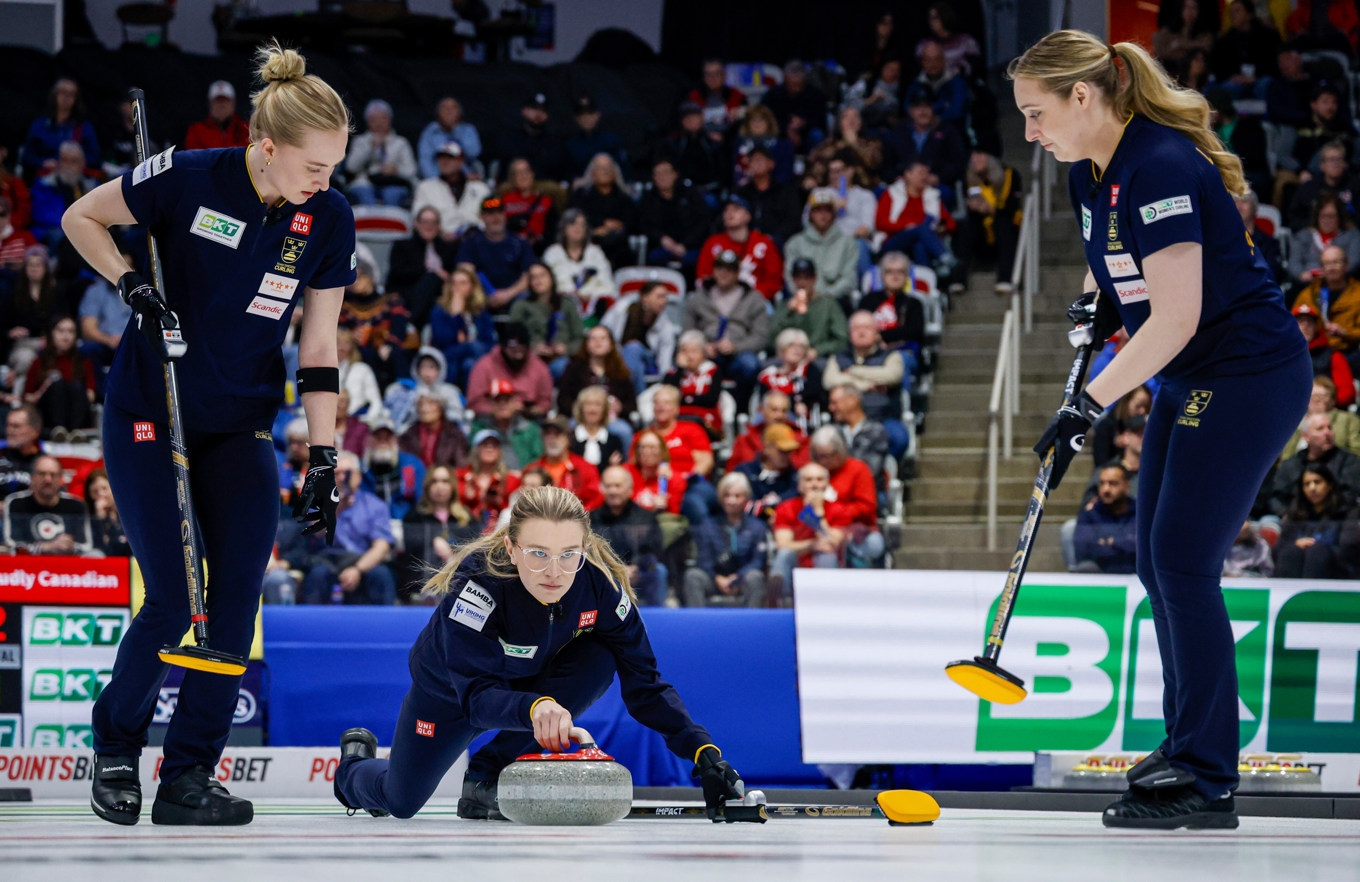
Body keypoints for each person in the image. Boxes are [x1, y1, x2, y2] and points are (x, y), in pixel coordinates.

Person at [1012, 30, 1313, 829]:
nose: (1032, 135)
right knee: (1158, 560)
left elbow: (1176, 316)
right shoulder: (1092, 174)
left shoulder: (1164, 167)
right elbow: (1113, 265)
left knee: (1182, 563)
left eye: (1038, 115)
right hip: (1194, 374)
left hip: (1245, 374)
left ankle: (1207, 775)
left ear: (1083, 97)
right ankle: (1187, 746)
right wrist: (1092, 309)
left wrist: (1087, 405)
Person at [62, 42, 356, 826]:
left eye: (333, 166)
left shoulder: (326, 217)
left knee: (233, 604)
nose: (324, 182)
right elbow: (79, 216)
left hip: (240, 421)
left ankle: (189, 775)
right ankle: (117, 746)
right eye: (313, 166)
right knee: (171, 598)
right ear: (266, 146)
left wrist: (324, 454)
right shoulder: (190, 175)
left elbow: (319, 347)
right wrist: (131, 286)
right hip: (151, 410)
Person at [332, 485, 746, 821]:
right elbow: (475, 697)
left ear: (583, 549)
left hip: (531, 683)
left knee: (603, 656)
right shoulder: (479, 581)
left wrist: (702, 752)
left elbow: (646, 683)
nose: (554, 572)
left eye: (569, 555)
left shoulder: (600, 586)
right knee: (400, 802)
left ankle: (486, 777)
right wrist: (537, 707)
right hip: (452, 693)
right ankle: (353, 767)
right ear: (512, 549)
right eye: (538, 554)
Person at [301, 451, 396, 605]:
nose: (341, 478)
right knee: (317, 574)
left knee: (381, 575)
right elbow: (316, 534)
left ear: (357, 476)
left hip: (362, 560)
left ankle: (384, 625)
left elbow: (381, 546)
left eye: (347, 473)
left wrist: (357, 569)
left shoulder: (374, 505)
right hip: (328, 560)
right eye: (336, 474)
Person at [683, 248, 770, 407]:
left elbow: (761, 336)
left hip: (739, 353)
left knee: (750, 364)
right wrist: (701, 347)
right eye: (720, 268)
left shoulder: (754, 298)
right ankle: (697, 408)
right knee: (684, 361)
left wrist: (736, 346)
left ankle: (741, 409)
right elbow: (687, 331)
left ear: (738, 273)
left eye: (730, 269)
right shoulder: (697, 297)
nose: (724, 273)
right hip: (706, 353)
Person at [824, 312, 909, 458]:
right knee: (822, 441)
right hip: (844, 421)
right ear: (849, 333)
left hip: (883, 419)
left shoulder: (891, 356)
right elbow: (829, 381)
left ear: (876, 333)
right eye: (856, 328)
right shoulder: (838, 358)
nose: (861, 332)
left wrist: (854, 371)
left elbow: (891, 376)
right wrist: (866, 385)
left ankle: (884, 472)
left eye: (867, 328)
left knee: (900, 438)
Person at [684, 471, 768, 609]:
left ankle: (752, 625)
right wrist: (718, 578)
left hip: (743, 579)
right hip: (714, 579)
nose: (731, 501)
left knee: (756, 577)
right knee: (693, 576)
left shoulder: (757, 527)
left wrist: (737, 577)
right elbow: (703, 558)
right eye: (727, 496)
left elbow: (758, 560)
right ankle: (697, 626)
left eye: (737, 496)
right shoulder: (707, 525)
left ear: (746, 498)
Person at [398, 465, 480, 601]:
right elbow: (411, 551)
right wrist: (433, 541)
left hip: (459, 581)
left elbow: (475, 548)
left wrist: (452, 553)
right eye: (434, 481)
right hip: (422, 582)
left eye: (445, 481)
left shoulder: (466, 517)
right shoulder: (414, 516)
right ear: (427, 486)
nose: (439, 487)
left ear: (452, 486)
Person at [769, 462, 850, 599]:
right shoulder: (786, 508)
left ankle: (826, 601)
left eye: (819, 480)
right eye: (808, 480)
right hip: (795, 564)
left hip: (826, 564)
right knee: (783, 554)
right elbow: (783, 545)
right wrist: (812, 545)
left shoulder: (839, 510)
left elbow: (832, 544)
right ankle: (780, 603)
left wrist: (817, 513)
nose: (814, 484)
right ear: (800, 485)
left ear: (827, 484)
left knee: (827, 555)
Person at [807, 426, 883, 567]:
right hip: (817, 528)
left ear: (840, 450)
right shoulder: (812, 473)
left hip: (855, 527)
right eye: (820, 456)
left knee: (873, 545)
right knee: (825, 552)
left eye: (829, 455)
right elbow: (802, 506)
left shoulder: (858, 469)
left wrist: (837, 512)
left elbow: (867, 507)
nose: (825, 460)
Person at [591, 466, 667, 606]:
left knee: (658, 570)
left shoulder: (646, 518)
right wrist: (615, 570)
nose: (613, 491)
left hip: (639, 573)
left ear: (630, 489)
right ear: (602, 489)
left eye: (618, 486)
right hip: (604, 575)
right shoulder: (591, 519)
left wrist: (635, 568)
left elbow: (654, 551)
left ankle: (658, 620)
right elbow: (589, 553)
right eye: (608, 486)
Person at [1266, 411, 1360, 517]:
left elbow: (1350, 495)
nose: (1327, 433)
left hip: (1336, 520)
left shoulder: (1349, 461)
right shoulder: (1291, 464)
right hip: (1296, 521)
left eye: (1329, 427)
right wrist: (1288, 515)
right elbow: (1276, 498)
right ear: (1306, 436)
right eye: (1320, 429)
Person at [1274, 462, 1359, 579]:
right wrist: (1296, 545)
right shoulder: (1294, 515)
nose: (1312, 488)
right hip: (1297, 566)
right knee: (1292, 552)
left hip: (1337, 571)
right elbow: (1278, 550)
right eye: (1307, 484)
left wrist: (1316, 546)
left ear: (1329, 485)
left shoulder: (1348, 513)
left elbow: (1347, 550)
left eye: (1317, 482)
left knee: (1317, 552)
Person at [696, 195, 785, 301]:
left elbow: (774, 282)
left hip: (755, 302)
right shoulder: (713, 243)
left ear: (748, 215)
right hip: (719, 301)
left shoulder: (764, 243)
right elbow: (702, 278)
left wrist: (748, 296)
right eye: (726, 210)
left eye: (736, 209)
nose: (729, 213)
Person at [960, 149, 1024, 294]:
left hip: (1006, 225)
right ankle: (959, 279)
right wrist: (975, 207)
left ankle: (1005, 278)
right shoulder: (970, 177)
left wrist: (991, 209)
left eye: (980, 156)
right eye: (973, 157)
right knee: (967, 225)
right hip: (982, 232)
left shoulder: (1009, 174)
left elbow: (1012, 207)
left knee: (1003, 224)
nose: (975, 160)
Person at [2, 453, 93, 554]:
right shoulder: (15, 503)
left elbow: (86, 546)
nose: (48, 479)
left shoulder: (76, 505)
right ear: (32, 477)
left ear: (61, 479)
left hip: (67, 564)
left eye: (53, 474)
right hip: (27, 566)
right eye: (42, 474)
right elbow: (11, 545)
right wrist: (46, 547)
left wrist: (70, 546)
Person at [386, 207, 460, 330]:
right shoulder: (402, 246)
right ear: (416, 223)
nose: (429, 226)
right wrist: (429, 270)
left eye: (433, 222)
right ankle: (411, 324)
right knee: (431, 279)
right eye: (425, 221)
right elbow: (397, 273)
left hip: (440, 296)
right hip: (407, 293)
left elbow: (454, 273)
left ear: (439, 225)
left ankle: (412, 325)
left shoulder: (448, 248)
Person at [509, 262, 586, 378]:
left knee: (563, 367)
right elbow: (512, 337)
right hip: (530, 358)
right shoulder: (521, 306)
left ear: (551, 277)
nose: (538, 280)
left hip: (562, 357)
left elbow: (580, 337)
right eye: (533, 277)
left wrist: (566, 348)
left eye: (542, 275)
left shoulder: (567, 304)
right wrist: (532, 347)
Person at [456, 197, 534, 311]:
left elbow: (528, 276)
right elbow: (465, 271)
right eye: (490, 213)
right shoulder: (471, 243)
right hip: (482, 295)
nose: (495, 217)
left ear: (505, 215)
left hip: (514, 295)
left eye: (499, 212)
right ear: (482, 217)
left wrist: (507, 294)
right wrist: (487, 294)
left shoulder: (520, 243)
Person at [783, 190, 861, 304]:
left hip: (835, 301)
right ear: (810, 214)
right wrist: (807, 295)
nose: (823, 215)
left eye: (827, 210)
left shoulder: (848, 243)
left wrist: (825, 296)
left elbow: (849, 279)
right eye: (818, 210)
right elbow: (790, 278)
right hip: (802, 300)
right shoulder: (795, 243)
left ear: (833, 214)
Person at [23, 315, 96, 437]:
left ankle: (75, 432)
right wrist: (44, 390)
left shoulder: (84, 361)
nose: (65, 336)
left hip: (76, 412)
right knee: (57, 385)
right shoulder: (40, 361)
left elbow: (91, 394)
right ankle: (58, 431)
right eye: (61, 331)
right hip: (48, 415)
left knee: (76, 386)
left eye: (70, 331)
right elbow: (27, 397)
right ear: (51, 333)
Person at [638, 155, 711, 274]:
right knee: (655, 257)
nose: (663, 177)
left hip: (689, 246)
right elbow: (644, 224)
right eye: (658, 174)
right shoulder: (648, 199)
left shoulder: (690, 194)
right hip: (661, 246)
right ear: (653, 178)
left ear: (675, 174)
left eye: (666, 173)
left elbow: (703, 222)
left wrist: (685, 245)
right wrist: (662, 239)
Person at [603, 280, 678, 395]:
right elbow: (604, 330)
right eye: (659, 297)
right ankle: (637, 398)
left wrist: (666, 381)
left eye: (665, 297)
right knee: (637, 365)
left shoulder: (665, 324)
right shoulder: (622, 309)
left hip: (649, 360)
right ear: (645, 298)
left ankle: (623, 394)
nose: (664, 301)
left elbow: (665, 357)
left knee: (634, 348)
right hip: (618, 355)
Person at [466, 322, 552, 419]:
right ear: (503, 346)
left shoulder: (539, 368)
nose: (517, 350)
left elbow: (545, 401)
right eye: (513, 346)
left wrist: (531, 410)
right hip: (492, 419)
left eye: (522, 345)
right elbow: (474, 402)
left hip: (527, 418)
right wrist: (501, 410)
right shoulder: (484, 366)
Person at [428, 267, 496, 390]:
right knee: (467, 356)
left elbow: (488, 341)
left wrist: (467, 345)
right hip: (450, 358)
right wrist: (455, 316)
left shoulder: (480, 312)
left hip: (475, 356)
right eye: (454, 283)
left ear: (472, 287)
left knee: (470, 362)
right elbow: (443, 341)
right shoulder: (440, 311)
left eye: (463, 283)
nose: (457, 287)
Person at [557, 325, 637, 430]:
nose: (598, 342)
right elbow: (563, 399)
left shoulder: (620, 371)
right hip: (580, 419)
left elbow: (632, 404)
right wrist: (580, 408)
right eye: (593, 338)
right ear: (586, 343)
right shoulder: (574, 369)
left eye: (603, 338)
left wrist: (619, 407)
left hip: (612, 420)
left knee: (623, 431)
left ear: (611, 344)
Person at [1291, 243, 1360, 364]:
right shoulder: (1308, 293)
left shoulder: (1357, 293)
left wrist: (1345, 333)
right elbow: (1293, 325)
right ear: (1321, 269)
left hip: (1348, 352)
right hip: (1313, 353)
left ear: (1346, 265)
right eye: (1327, 264)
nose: (1331, 268)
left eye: (1336, 262)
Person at [22, 78, 100, 182]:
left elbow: (94, 158)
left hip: (78, 179)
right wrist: (43, 163)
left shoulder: (84, 128)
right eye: (63, 92)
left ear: (76, 99)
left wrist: (76, 162)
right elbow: (27, 158)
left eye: (71, 94)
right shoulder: (38, 126)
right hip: (46, 179)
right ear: (54, 95)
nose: (66, 97)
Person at [567, 153, 635, 270]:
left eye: (608, 168)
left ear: (615, 173)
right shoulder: (581, 194)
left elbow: (631, 222)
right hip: (587, 240)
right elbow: (574, 217)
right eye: (600, 168)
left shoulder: (624, 197)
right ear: (592, 173)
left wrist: (611, 228)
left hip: (617, 244)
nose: (605, 171)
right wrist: (600, 227)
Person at [411, 142, 490, 241]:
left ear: (460, 162)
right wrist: (439, 233)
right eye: (441, 158)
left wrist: (476, 230)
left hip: (476, 240)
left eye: (450, 158)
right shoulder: (426, 187)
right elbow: (418, 218)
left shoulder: (480, 188)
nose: (445, 162)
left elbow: (491, 215)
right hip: (440, 241)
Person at [541, 211, 615, 317]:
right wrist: (569, 294)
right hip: (559, 307)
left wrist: (588, 295)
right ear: (563, 229)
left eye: (582, 225)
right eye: (573, 224)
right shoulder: (552, 253)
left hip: (593, 305)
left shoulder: (596, 253)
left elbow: (609, 286)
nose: (578, 228)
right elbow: (545, 286)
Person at [771, 258, 849, 358]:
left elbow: (841, 339)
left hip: (819, 357)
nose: (802, 282)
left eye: (806, 278)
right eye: (798, 278)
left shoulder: (828, 305)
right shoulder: (785, 306)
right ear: (793, 280)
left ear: (814, 279)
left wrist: (818, 350)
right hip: (789, 358)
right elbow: (771, 339)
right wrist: (788, 311)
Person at [345, 99, 418, 207]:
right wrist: (369, 147)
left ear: (389, 120)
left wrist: (396, 170)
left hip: (393, 182)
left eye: (383, 118)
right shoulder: (360, 141)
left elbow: (411, 171)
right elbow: (351, 167)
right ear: (368, 122)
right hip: (365, 183)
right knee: (364, 193)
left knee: (392, 194)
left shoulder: (400, 142)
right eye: (374, 119)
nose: (379, 123)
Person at [524, 417, 604, 511]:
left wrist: (578, 516)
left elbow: (597, 499)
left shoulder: (586, 468)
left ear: (569, 438)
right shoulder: (532, 469)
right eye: (547, 433)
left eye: (557, 434)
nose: (551, 438)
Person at [1073, 464, 1139, 574]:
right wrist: (1123, 542)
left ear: (1127, 486)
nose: (1106, 489)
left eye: (1113, 483)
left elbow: (1141, 547)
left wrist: (1109, 541)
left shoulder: (1139, 513)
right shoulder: (1089, 514)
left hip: (1136, 575)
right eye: (1102, 483)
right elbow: (1083, 550)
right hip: (1100, 577)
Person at [733, 144, 804, 245]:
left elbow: (793, 221)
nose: (757, 163)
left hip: (778, 243)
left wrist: (774, 238)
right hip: (745, 243)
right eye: (753, 160)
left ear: (771, 164)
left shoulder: (786, 191)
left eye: (760, 159)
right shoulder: (741, 192)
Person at [30, 141, 99, 244]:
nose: (68, 165)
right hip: (54, 231)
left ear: (82, 163)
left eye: (73, 161)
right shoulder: (44, 185)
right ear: (58, 162)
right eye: (64, 160)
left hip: (84, 230)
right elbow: (42, 217)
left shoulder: (92, 187)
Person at [1279, 375, 1360, 460]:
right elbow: (1284, 456)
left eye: (1322, 396)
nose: (1316, 400)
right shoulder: (1295, 422)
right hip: (1296, 469)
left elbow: (1357, 452)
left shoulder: (1348, 420)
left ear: (1332, 400)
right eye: (1312, 395)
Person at [663, 330, 726, 439]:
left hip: (706, 419)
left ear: (703, 353)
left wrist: (686, 399)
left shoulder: (713, 371)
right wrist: (680, 370)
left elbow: (710, 399)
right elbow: (670, 396)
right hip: (677, 417)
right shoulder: (673, 374)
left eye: (693, 351)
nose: (689, 356)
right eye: (685, 351)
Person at [1291, 307, 1357, 411]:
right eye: (1300, 321)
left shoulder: (1332, 355)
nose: (1305, 325)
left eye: (1310, 321)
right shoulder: (1283, 356)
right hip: (1292, 411)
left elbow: (1347, 393)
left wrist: (1322, 403)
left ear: (1316, 327)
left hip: (1326, 411)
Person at [495, 158, 565, 253]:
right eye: (518, 173)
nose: (523, 176)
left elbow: (553, 228)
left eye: (526, 171)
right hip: (509, 248)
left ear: (532, 174)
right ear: (512, 178)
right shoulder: (504, 200)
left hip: (539, 248)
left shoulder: (545, 200)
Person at [1288, 196, 1360, 288]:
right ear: (1316, 216)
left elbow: (1354, 261)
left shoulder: (1352, 235)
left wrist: (1331, 273)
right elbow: (1293, 263)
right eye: (1323, 216)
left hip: (1343, 286)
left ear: (1340, 217)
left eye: (1331, 216)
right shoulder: (1302, 236)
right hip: (1307, 285)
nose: (1327, 220)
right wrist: (1302, 275)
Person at [468, 382, 542, 471]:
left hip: (526, 479)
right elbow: (472, 458)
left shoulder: (530, 429)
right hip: (493, 479)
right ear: (490, 404)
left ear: (515, 403)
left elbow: (539, 459)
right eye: (497, 400)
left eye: (506, 400)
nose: (502, 405)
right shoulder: (479, 428)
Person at [498, 92, 569, 184]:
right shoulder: (511, 138)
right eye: (534, 109)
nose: (538, 114)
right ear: (524, 111)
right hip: (514, 187)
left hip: (544, 189)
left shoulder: (554, 142)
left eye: (543, 110)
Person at [364, 415, 426, 519]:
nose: (383, 442)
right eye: (378, 437)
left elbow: (421, 499)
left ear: (395, 440)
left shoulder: (412, 464)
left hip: (407, 521)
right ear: (369, 440)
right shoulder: (363, 470)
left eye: (388, 437)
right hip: (372, 524)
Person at [458, 428, 523, 528]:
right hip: (466, 527)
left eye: (494, 446)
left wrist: (500, 501)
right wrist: (468, 497)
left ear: (500, 451)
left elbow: (514, 510)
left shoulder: (510, 479)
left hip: (499, 529)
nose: (490, 449)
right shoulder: (463, 477)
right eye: (485, 445)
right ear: (476, 449)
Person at [756, 328, 823, 422]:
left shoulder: (810, 370)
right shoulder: (768, 375)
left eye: (801, 347)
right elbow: (764, 400)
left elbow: (814, 394)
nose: (797, 350)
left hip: (799, 419)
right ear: (782, 348)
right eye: (791, 345)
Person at [729, 391, 808, 469]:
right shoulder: (744, 441)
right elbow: (731, 474)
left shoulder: (801, 442)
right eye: (774, 410)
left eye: (784, 411)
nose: (779, 415)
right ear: (762, 411)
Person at [735, 422, 802, 511]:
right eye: (782, 450)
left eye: (789, 451)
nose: (787, 455)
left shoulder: (795, 477)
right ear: (767, 448)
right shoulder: (745, 472)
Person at [398, 389, 468, 470]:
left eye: (430, 403)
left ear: (440, 408)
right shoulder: (408, 436)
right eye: (420, 404)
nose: (424, 409)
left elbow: (461, 465)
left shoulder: (454, 435)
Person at [417, 97, 483, 181]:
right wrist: (437, 180)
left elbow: (473, 153)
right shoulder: (430, 132)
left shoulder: (468, 130)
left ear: (459, 113)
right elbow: (425, 160)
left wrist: (455, 130)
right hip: (437, 178)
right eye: (445, 108)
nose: (449, 111)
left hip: (466, 177)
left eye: (453, 108)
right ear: (438, 113)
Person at [565, 96, 627, 179]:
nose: (586, 118)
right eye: (582, 114)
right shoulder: (569, 146)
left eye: (590, 113)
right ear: (576, 118)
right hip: (582, 189)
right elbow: (566, 174)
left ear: (597, 115)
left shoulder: (612, 141)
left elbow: (624, 171)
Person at [570, 386, 626, 469]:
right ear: (581, 409)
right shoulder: (570, 439)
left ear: (605, 410)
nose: (593, 410)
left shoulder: (614, 441)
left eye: (598, 405)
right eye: (588, 404)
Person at [184, 81, 251, 151]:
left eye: (225, 101)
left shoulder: (247, 130)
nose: (221, 105)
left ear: (233, 103)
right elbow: (195, 158)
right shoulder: (196, 131)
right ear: (210, 104)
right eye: (218, 101)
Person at [1152, 0, 1216, 70]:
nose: (1190, 12)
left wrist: (1181, 45)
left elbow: (1206, 47)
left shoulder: (1204, 35)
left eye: (1193, 8)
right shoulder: (1168, 31)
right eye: (1187, 7)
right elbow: (1161, 52)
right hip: (1168, 71)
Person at [0, 405, 44, 500]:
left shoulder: (45, 464)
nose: (10, 431)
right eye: (8, 425)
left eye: (16, 426)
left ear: (35, 431)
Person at [85, 468, 131, 557]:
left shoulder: (126, 515)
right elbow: (99, 547)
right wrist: (100, 519)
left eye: (104, 489)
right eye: (95, 492)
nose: (101, 494)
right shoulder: (89, 518)